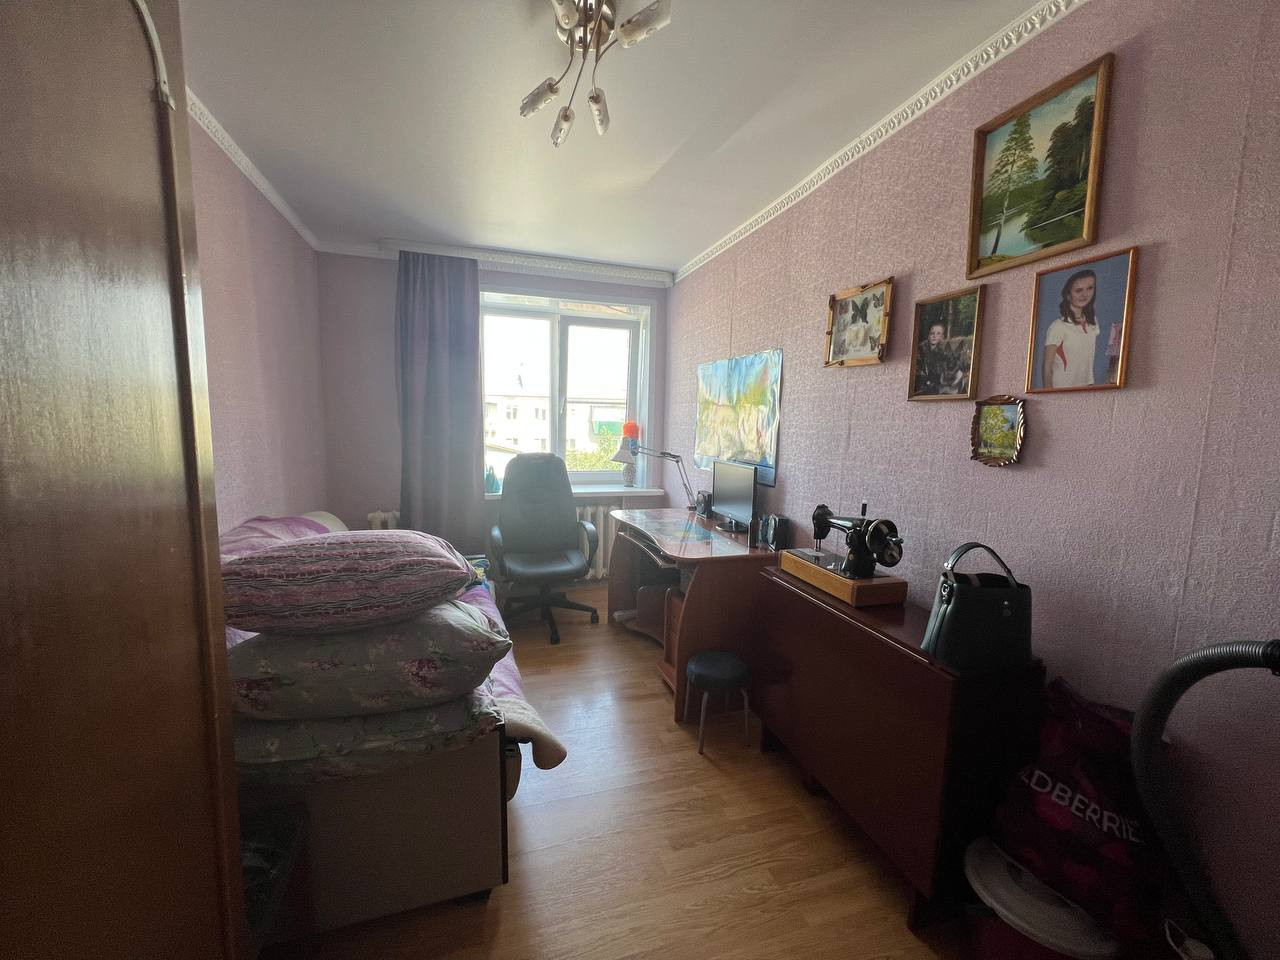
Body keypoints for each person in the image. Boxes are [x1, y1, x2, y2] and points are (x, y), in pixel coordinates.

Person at [1042, 269, 1099, 388]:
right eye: (1078, 290)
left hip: (1087, 389)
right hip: (1062, 389)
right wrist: (1049, 395)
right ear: (1068, 295)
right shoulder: (1058, 326)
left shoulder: (1093, 323)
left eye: (1090, 288)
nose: (1085, 294)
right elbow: (1047, 368)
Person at [916, 320, 949, 394]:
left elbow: (941, 370)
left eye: (938, 334)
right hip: (921, 382)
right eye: (932, 333)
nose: (934, 336)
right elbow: (918, 368)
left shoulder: (942, 352)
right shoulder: (921, 348)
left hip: (934, 384)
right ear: (928, 335)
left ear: (942, 337)